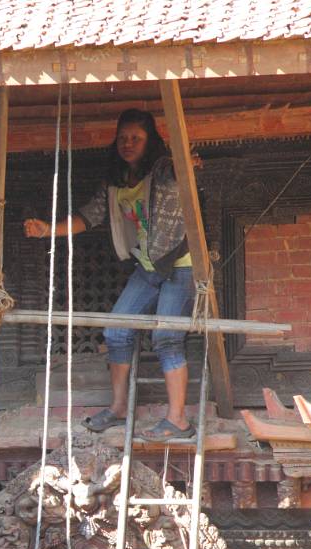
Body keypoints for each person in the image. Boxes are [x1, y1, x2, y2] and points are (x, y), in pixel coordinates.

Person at [23, 108, 196, 441]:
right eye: (123, 138)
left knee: (167, 338)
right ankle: (118, 409)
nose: (128, 144)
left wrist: (187, 166)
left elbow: (177, 175)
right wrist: (48, 230)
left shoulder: (162, 170)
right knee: (116, 331)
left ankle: (178, 421)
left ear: (151, 142)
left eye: (136, 138)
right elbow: (89, 217)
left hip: (179, 264)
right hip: (147, 266)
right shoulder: (115, 182)